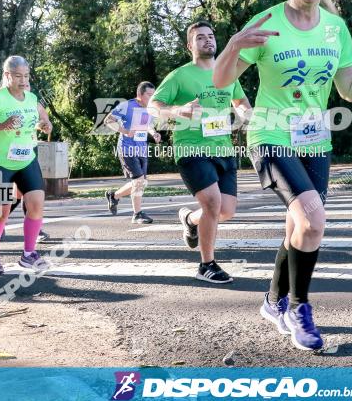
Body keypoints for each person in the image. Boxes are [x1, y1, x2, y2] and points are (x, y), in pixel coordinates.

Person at [213, 0, 352, 351]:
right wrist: (232, 45)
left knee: (299, 226)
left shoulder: (337, 29)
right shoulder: (267, 21)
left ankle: (272, 300)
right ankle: (298, 307)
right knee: (313, 221)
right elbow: (222, 82)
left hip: (315, 138)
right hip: (270, 134)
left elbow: (349, 89)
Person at [149, 20, 251, 284]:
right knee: (212, 203)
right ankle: (207, 264)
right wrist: (177, 111)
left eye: (210, 36)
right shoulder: (179, 76)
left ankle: (190, 220)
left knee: (226, 210)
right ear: (189, 45)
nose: (208, 40)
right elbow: (153, 106)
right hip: (191, 148)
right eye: (200, 37)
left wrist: (245, 114)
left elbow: (239, 100)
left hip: (223, 149)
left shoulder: (227, 72)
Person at [0, 55, 53, 276]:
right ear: (7, 75)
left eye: (26, 76)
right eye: (18, 76)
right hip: (0, 162)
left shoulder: (31, 98)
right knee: (2, 211)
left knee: (36, 204)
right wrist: (2, 125)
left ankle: (28, 255)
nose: (23, 80)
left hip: (27, 159)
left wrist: (45, 124)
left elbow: (43, 118)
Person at [104, 82, 162, 224]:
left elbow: (147, 124)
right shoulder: (127, 106)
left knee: (141, 182)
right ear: (140, 94)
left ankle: (114, 196)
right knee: (138, 180)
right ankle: (137, 214)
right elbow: (108, 120)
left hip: (141, 148)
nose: (152, 97)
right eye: (149, 94)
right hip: (127, 148)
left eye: (153, 94)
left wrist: (154, 133)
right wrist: (125, 131)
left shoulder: (150, 109)